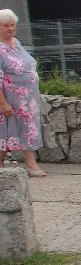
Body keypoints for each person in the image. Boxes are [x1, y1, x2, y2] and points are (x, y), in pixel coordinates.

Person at [0, 9, 47, 177]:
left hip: (27, 99)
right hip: (10, 98)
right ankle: (30, 163)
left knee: (10, 132)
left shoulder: (16, 43)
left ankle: (1, 165)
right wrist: (3, 103)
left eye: (13, 25)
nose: (11, 28)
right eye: (6, 25)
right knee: (14, 130)